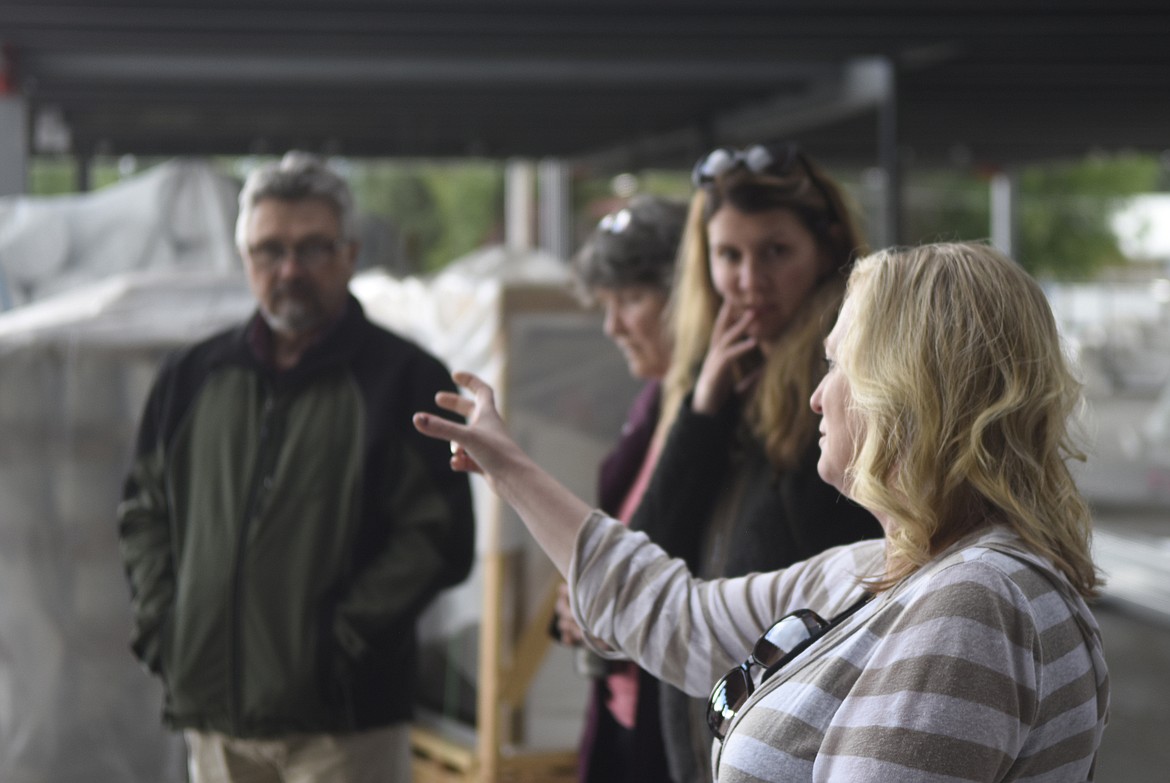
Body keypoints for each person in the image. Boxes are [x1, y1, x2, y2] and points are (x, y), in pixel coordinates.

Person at [413, 241, 1110, 782]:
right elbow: (677, 615)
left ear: (905, 389)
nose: (817, 395)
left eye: (839, 365)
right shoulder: (892, 570)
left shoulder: (973, 603)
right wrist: (509, 466)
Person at [117, 151, 475, 783]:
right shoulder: (192, 377)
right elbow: (145, 512)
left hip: (344, 726)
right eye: (269, 250)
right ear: (244, 258)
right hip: (216, 715)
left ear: (350, 253)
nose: (289, 270)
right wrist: (165, 629)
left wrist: (335, 645)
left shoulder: (406, 380)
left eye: (312, 248)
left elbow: (438, 538)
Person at [629, 143, 881, 782]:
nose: (748, 281)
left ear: (826, 252)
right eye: (728, 256)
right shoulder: (718, 393)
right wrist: (702, 413)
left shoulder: (846, 402)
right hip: (709, 740)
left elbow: (849, 594)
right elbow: (654, 559)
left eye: (775, 252)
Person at [554, 194, 687, 783]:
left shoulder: (720, 421)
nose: (612, 326)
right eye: (606, 304)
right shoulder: (653, 404)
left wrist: (614, 609)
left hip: (679, 724)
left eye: (631, 299)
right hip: (625, 710)